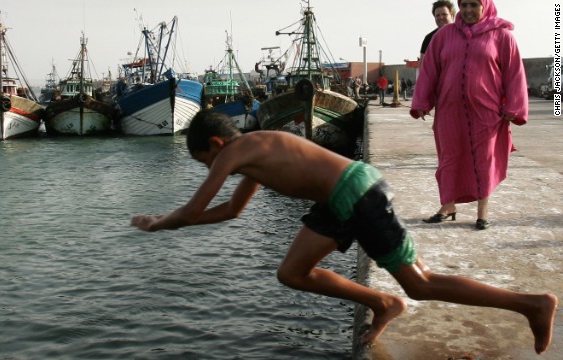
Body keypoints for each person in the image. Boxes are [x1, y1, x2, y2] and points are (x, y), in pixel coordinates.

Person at [131, 110, 557, 354]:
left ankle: (531, 304)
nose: (210, 169)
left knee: (421, 284)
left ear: (216, 145)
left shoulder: (238, 151)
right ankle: (384, 302)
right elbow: (230, 211)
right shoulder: (255, 152)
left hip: (358, 194)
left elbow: (195, 208)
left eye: (205, 162)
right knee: (292, 272)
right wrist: (176, 221)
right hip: (338, 201)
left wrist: (158, 223)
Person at [411, 0, 528, 230]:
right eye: (464, 5)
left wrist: (513, 107)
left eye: (474, 5)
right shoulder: (444, 35)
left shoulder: (502, 36)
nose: (468, 11)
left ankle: (482, 212)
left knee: (484, 159)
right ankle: (448, 206)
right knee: (449, 157)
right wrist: (422, 101)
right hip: (449, 110)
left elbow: (514, 74)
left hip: (486, 111)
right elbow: (429, 70)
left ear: (485, 6)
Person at [419, 1, 456, 69]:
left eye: (444, 14)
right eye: (437, 15)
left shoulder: (462, 35)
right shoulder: (429, 38)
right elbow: (422, 67)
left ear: (452, 15)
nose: (441, 17)